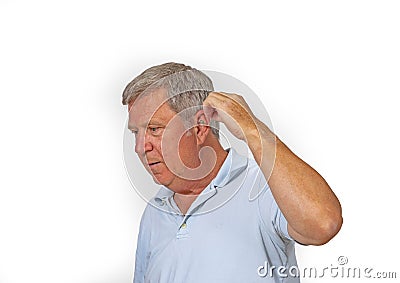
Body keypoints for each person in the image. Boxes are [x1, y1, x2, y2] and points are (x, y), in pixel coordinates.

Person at [122, 62, 342, 283]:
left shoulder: (262, 186)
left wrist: (251, 129)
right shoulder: (155, 211)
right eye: (135, 132)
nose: (140, 147)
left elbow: (323, 225)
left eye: (154, 129)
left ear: (199, 127)